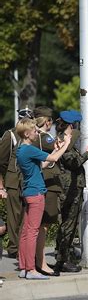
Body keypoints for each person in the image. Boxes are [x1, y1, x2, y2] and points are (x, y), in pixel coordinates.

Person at [16, 117, 71, 279]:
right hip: (36, 193)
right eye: (33, 131)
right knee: (33, 232)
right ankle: (31, 269)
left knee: (26, 232)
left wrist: (55, 150)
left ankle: (24, 267)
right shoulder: (29, 149)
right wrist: (66, 144)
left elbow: (44, 164)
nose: (36, 132)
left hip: (29, 192)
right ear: (26, 133)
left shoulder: (22, 149)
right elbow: (53, 160)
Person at [54, 110, 88, 273]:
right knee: (68, 225)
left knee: (68, 224)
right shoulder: (63, 141)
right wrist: (87, 154)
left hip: (72, 188)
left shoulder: (66, 140)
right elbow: (72, 162)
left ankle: (64, 255)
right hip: (68, 190)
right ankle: (62, 260)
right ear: (72, 125)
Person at [31, 106, 62, 276]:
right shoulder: (44, 138)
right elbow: (59, 149)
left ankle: (37, 261)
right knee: (42, 226)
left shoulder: (40, 137)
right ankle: (40, 263)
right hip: (47, 184)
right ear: (47, 121)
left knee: (41, 226)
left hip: (46, 183)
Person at [0, 107, 33, 259]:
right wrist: (4, 182)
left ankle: (23, 245)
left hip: (27, 180)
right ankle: (14, 248)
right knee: (14, 216)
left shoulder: (33, 135)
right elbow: (2, 161)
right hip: (13, 180)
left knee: (26, 215)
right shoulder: (11, 135)